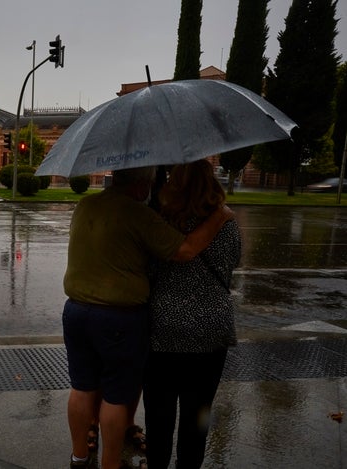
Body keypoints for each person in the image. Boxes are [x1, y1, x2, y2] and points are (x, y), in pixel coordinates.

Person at [62, 165, 234, 469]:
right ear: (142, 186)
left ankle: (79, 457)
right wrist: (219, 215)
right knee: (119, 397)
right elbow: (189, 251)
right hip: (131, 319)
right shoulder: (142, 216)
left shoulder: (87, 204)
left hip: (83, 313)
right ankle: (111, 465)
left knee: (85, 388)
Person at [143, 159, 241, 469]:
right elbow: (231, 265)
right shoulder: (227, 223)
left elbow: (149, 269)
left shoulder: (162, 221)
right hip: (211, 331)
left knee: (159, 416)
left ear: (175, 182)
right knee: (198, 415)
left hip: (163, 331)